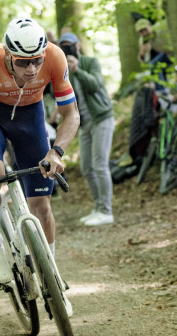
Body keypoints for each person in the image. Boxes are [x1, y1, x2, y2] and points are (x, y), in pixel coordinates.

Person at [0, 18, 80, 299]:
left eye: (36, 61)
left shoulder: (54, 57)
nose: (32, 68)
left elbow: (71, 114)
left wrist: (56, 152)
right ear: (7, 55)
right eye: (23, 62)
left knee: (41, 203)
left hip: (31, 117)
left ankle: (51, 272)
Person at [58, 32, 115, 226]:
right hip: (84, 124)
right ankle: (99, 208)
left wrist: (77, 70)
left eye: (70, 45)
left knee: (100, 165)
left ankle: (106, 211)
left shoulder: (90, 62)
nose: (68, 48)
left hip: (101, 118)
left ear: (78, 45)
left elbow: (96, 85)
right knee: (87, 168)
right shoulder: (63, 69)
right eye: (63, 46)